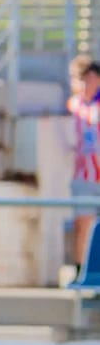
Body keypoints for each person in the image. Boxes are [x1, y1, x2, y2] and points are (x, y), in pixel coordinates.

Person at [65, 55, 100, 268]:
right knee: (84, 225)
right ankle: (82, 270)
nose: (88, 84)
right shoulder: (73, 106)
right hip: (83, 177)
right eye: (85, 79)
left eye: (92, 79)